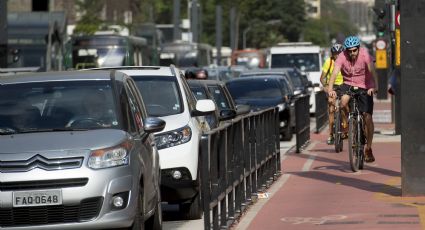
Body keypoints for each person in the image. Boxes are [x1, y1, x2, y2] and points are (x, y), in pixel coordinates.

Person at [328, 36, 378, 162]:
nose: (352, 53)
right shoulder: (342, 56)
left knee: (367, 116)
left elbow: (372, 70)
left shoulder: (364, 54)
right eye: (349, 51)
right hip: (348, 85)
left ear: (358, 49)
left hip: (365, 85)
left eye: (354, 50)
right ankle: (351, 125)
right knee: (342, 102)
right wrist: (330, 90)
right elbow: (334, 73)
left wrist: (374, 87)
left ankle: (368, 148)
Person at [320, 43, 346, 145]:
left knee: (345, 105)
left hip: (344, 85)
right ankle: (331, 134)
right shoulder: (329, 62)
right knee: (331, 108)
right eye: (335, 53)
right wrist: (326, 87)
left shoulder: (346, 61)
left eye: (339, 53)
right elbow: (322, 78)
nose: (337, 55)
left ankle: (345, 125)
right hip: (333, 86)